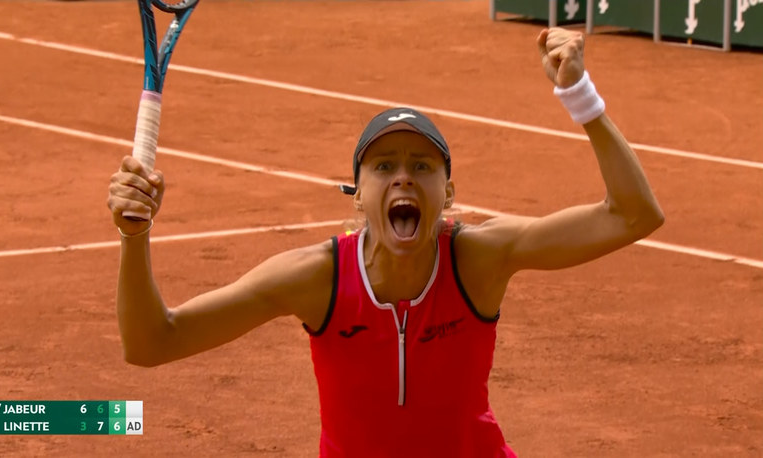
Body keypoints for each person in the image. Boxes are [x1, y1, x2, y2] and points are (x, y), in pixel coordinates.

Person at [106, 28, 664, 457]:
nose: (402, 177)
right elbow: (153, 342)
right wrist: (135, 236)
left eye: (421, 165)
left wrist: (580, 97)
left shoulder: (478, 258)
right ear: (357, 196)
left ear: (448, 193)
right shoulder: (317, 278)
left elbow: (632, 215)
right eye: (383, 165)